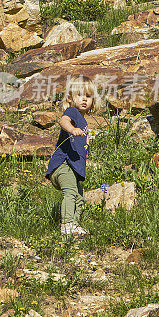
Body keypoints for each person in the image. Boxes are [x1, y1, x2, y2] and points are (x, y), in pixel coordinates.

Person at [45, 76, 98, 236]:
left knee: (79, 198)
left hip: (73, 170)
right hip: (63, 165)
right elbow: (63, 121)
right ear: (70, 98)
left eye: (88, 96)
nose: (84, 99)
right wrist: (71, 129)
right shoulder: (72, 112)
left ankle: (74, 225)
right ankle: (67, 224)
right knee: (70, 193)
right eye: (80, 95)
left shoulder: (83, 121)